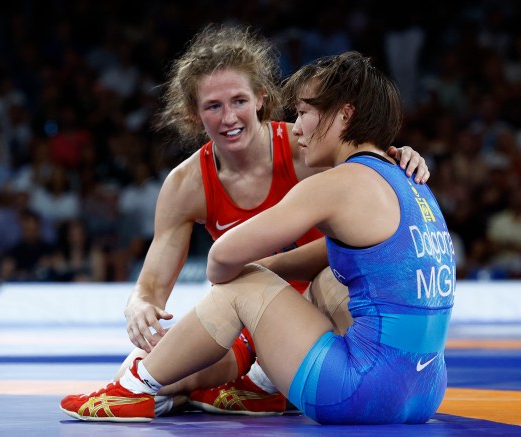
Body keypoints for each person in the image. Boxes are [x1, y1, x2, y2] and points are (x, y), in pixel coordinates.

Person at [60, 50, 455, 425]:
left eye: (303, 112)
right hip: (425, 389)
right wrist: (139, 304)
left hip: (355, 388)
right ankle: (262, 384)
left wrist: (254, 270)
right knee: (340, 274)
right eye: (213, 106)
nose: (297, 125)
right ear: (195, 115)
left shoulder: (320, 168)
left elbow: (220, 261)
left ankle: (133, 389)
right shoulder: (407, 175)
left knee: (244, 287)